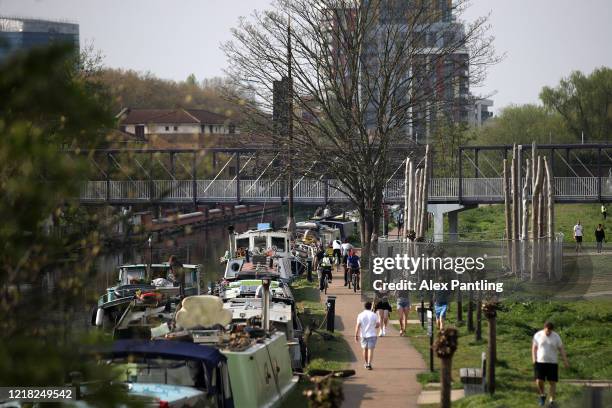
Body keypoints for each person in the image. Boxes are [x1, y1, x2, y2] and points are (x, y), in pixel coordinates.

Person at [532, 321, 569, 407]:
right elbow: (534, 348)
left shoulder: (556, 336)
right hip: (540, 362)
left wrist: (565, 361)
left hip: (552, 362)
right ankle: (542, 395)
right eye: (547, 331)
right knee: (539, 381)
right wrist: (534, 359)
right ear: (544, 328)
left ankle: (551, 400)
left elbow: (561, 349)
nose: (548, 332)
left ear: (552, 330)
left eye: (550, 331)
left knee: (552, 382)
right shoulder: (538, 335)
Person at [355, 301, 380, 370]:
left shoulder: (360, 315)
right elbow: (378, 325)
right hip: (372, 334)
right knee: (370, 350)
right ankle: (369, 363)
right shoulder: (374, 315)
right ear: (371, 307)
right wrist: (374, 326)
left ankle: (366, 363)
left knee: (364, 349)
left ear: (364, 307)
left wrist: (356, 335)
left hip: (363, 335)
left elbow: (358, 325)